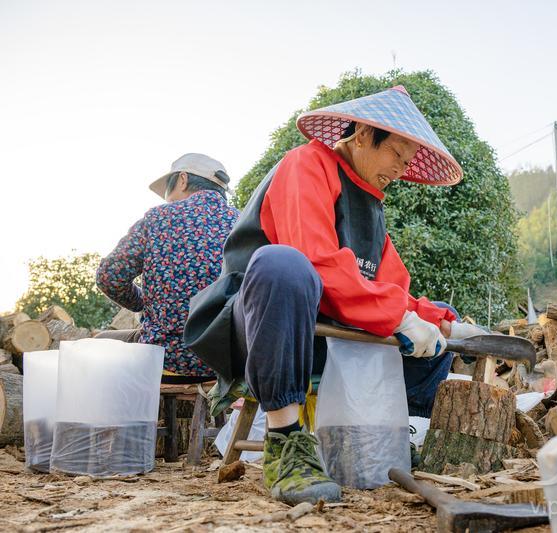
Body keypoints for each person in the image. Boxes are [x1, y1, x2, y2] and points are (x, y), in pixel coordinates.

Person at [184, 86, 485, 503]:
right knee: (284, 264)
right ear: (362, 134)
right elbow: (315, 260)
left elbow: (390, 289)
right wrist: (398, 316)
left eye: (408, 161)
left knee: (435, 324)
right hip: (262, 328)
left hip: (328, 336)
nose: (401, 169)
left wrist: (442, 320)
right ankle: (287, 443)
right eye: (397, 154)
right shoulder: (305, 164)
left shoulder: (371, 204)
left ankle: (400, 436)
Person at [96, 154, 239, 381]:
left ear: (182, 180)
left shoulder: (158, 218)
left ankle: (127, 416)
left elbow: (109, 277)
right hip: (231, 359)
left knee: (99, 342)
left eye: (167, 192)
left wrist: (144, 302)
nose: (167, 199)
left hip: (168, 357)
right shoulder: (242, 222)